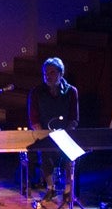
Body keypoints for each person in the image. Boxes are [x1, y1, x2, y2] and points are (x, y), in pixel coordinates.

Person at [25, 57, 80, 196]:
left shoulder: (71, 91)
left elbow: (74, 117)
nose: (47, 76)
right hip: (44, 133)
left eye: (52, 72)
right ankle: (51, 188)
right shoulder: (37, 92)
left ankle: (68, 190)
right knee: (44, 152)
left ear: (61, 74)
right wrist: (42, 132)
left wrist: (66, 134)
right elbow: (34, 118)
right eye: (45, 73)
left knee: (70, 154)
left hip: (65, 133)